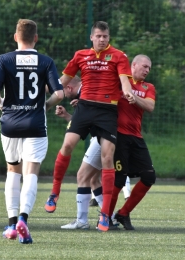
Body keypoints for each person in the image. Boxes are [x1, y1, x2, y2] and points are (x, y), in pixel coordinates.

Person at [44, 21, 135, 232]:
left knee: (107, 157)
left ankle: (104, 215)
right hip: (85, 108)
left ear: (108, 37)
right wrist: (43, 100)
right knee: (67, 145)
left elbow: (124, 81)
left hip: (107, 111)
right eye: (98, 36)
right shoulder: (80, 56)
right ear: (92, 37)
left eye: (105, 36)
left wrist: (128, 91)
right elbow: (61, 83)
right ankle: (55, 192)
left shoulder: (119, 56)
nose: (102, 39)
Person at [0, 19, 64, 244]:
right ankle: (23, 220)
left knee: (13, 171)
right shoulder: (46, 61)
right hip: (35, 124)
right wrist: (46, 105)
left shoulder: (4, 60)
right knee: (31, 172)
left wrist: (2, 105)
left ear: (15, 37)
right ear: (36, 38)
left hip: (10, 123)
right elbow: (59, 94)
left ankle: (11, 225)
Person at [55, 76, 130, 229]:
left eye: (63, 89)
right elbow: (86, 123)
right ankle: (108, 217)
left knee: (83, 176)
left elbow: (93, 119)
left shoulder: (89, 92)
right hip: (107, 134)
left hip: (105, 136)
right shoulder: (85, 96)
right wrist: (69, 116)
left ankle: (84, 221)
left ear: (69, 87)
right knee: (93, 180)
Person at [109, 54, 156, 230]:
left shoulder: (148, 87)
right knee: (118, 179)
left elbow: (150, 106)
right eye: (144, 66)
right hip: (118, 136)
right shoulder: (121, 80)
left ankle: (123, 213)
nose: (147, 70)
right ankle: (105, 217)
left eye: (149, 68)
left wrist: (134, 98)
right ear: (133, 65)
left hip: (136, 137)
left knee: (149, 176)